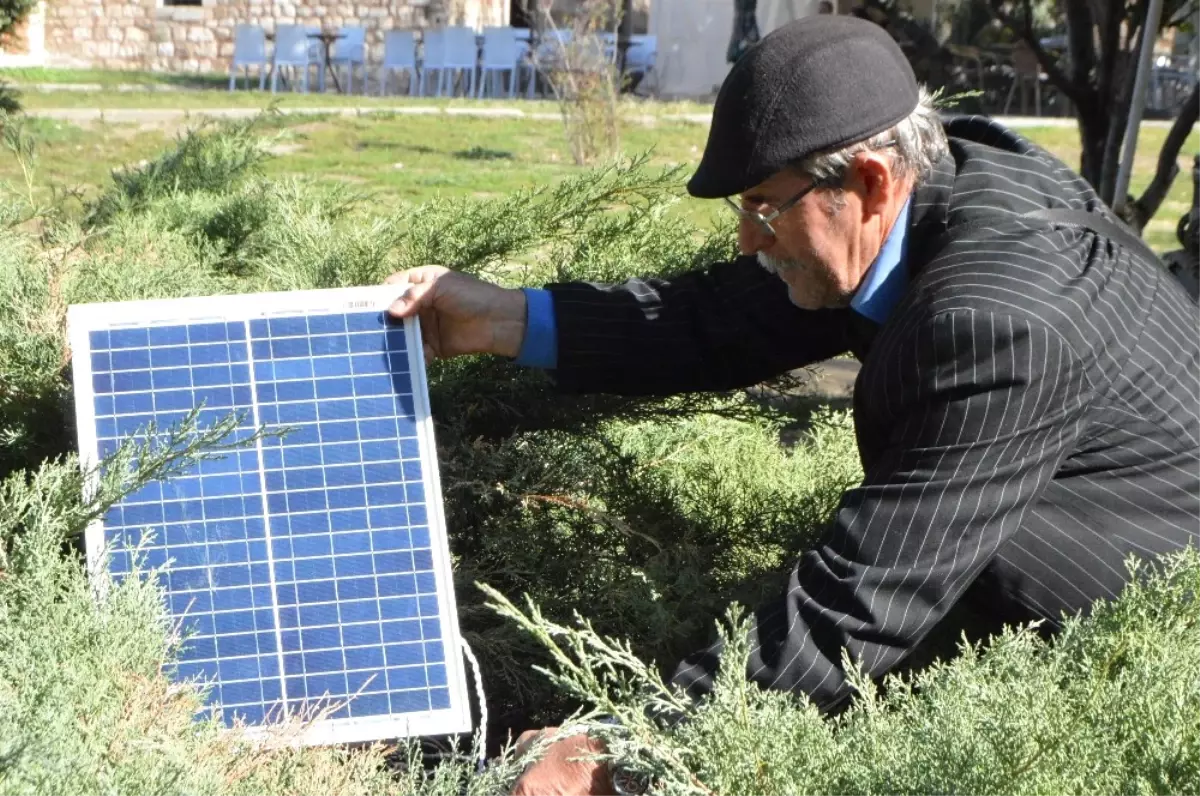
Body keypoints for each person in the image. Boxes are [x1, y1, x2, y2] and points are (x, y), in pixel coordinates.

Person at [386, 15, 1200, 795]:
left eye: (763, 208)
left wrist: (631, 742)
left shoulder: (996, 324)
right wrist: (503, 318)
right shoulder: (936, 187)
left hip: (1146, 632)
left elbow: (862, 596)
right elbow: (722, 317)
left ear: (871, 181)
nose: (747, 238)